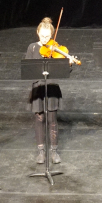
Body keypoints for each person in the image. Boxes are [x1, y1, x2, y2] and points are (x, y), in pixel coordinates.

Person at [25, 17, 74, 164]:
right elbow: (27, 69)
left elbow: (64, 71)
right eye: (42, 35)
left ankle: (54, 151)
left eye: (48, 36)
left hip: (51, 87)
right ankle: (41, 152)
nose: (45, 39)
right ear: (38, 33)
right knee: (39, 119)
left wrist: (68, 64)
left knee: (52, 120)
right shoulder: (32, 48)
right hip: (38, 87)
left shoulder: (55, 48)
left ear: (52, 35)